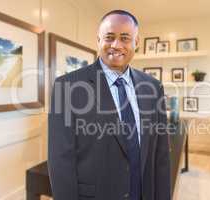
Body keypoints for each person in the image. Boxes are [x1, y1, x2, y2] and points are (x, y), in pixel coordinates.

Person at [48, 10, 171, 200]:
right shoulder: (67, 86)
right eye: (109, 37)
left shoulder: (153, 87)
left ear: (136, 43)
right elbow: (60, 161)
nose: (116, 45)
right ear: (98, 40)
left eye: (125, 38)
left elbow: (161, 155)